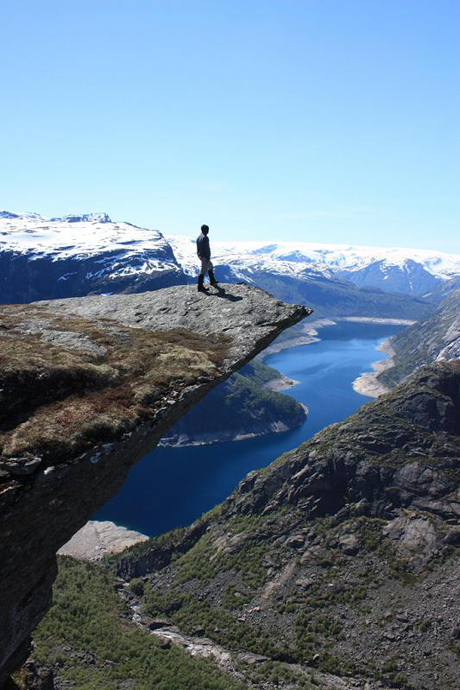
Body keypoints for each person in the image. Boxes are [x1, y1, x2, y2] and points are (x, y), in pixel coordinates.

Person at [196, 224, 218, 291]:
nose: (208, 231)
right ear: (206, 230)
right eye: (207, 229)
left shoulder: (199, 237)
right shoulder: (205, 237)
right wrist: (208, 257)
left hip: (201, 255)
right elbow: (206, 248)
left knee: (210, 266)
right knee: (203, 270)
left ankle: (212, 281)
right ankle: (200, 286)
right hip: (205, 256)